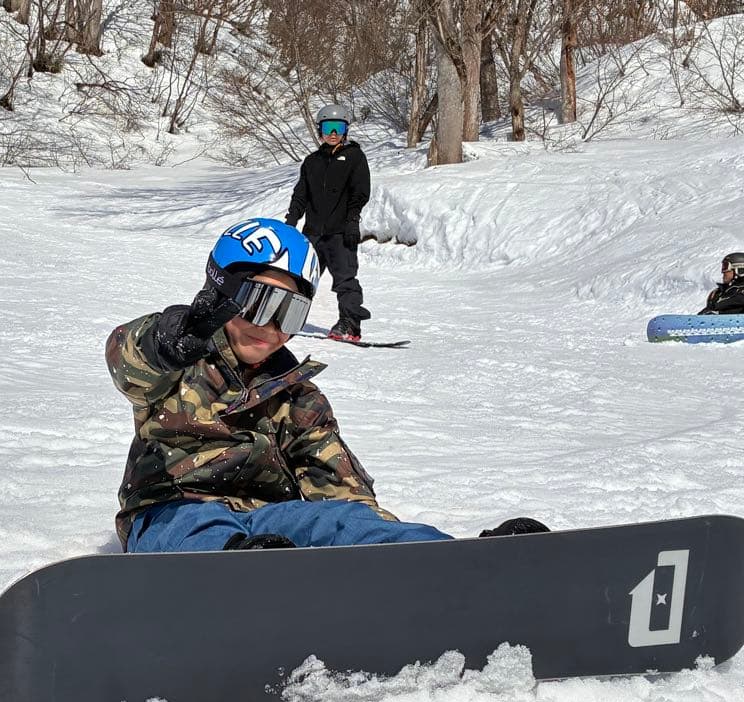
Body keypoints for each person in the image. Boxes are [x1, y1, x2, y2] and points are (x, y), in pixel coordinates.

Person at [105, 217, 547, 553]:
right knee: (198, 529)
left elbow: (335, 480)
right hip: (170, 511)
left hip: (271, 524)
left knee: (343, 520)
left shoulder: (298, 396)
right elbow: (130, 362)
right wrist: (164, 340)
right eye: (262, 304)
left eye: (291, 314)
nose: (273, 327)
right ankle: (234, 575)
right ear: (222, 295)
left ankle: (456, 562)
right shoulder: (180, 361)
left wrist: (368, 529)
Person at [284, 104, 371, 342]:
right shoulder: (312, 161)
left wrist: (352, 220)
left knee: (345, 280)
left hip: (341, 233)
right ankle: (285, 318)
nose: (333, 133)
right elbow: (301, 195)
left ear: (345, 131)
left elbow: (360, 193)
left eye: (339, 128)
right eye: (328, 128)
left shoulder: (354, 157)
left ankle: (350, 324)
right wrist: (291, 221)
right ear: (320, 130)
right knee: (299, 279)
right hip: (312, 233)